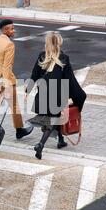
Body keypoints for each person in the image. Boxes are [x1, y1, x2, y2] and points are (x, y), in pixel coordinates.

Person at [25, 31, 87, 159]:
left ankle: (60, 140)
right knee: (52, 119)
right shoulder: (64, 58)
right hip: (57, 93)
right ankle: (40, 145)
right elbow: (70, 79)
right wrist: (75, 95)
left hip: (43, 91)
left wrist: (27, 92)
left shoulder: (42, 56)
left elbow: (34, 75)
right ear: (59, 43)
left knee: (55, 117)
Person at [0, 19, 33, 139]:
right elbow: (6, 67)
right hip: (5, 82)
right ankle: (19, 130)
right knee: (14, 106)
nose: (13, 31)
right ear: (5, 30)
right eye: (11, 29)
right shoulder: (9, 44)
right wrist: (6, 84)